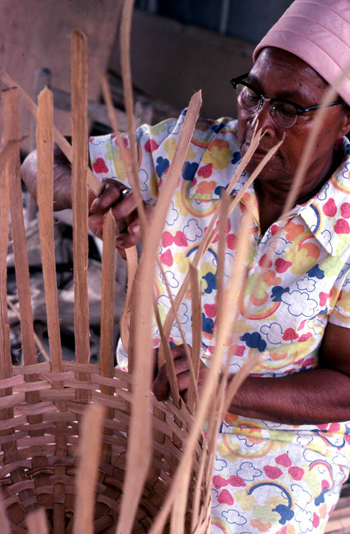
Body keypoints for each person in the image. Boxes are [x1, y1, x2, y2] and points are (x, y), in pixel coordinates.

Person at [22, 0, 350, 531]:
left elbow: (346, 383)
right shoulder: (192, 149)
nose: (259, 122)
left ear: (345, 119)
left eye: (290, 108)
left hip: (274, 458)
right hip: (144, 413)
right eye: (253, 93)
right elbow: (39, 160)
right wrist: (97, 194)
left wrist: (221, 389)